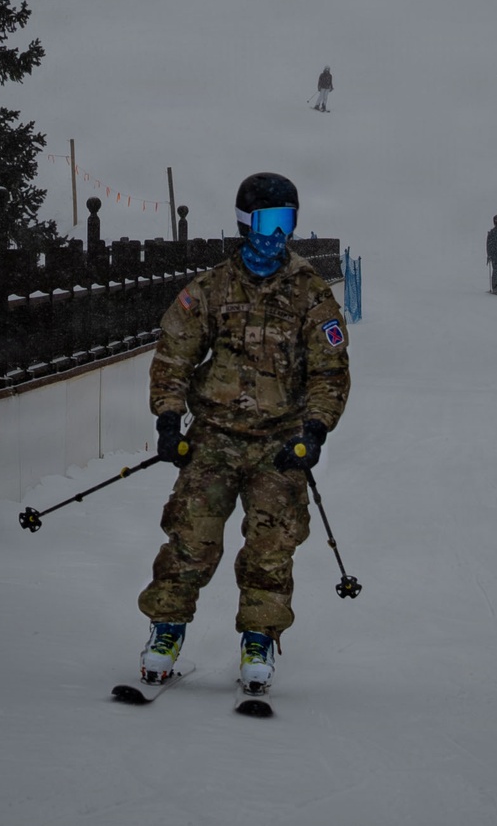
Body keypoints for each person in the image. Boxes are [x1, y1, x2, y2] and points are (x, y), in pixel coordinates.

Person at [137, 172, 351, 694]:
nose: (277, 234)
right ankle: (166, 630)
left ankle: (259, 638)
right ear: (244, 223)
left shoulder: (309, 291)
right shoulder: (211, 289)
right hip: (213, 438)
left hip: (280, 444)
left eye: (287, 222)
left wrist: (316, 429)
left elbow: (330, 370)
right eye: (267, 222)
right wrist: (169, 419)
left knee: (272, 546)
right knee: (190, 538)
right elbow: (173, 356)